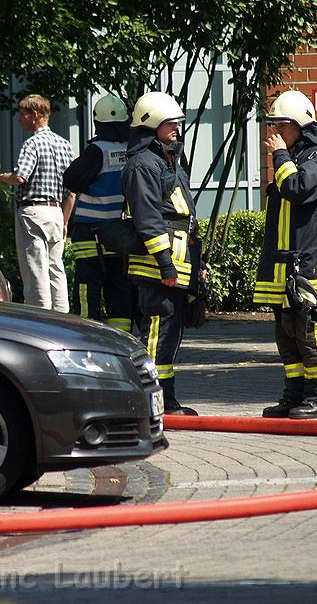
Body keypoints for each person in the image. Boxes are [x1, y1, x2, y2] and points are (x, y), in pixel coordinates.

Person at [254, 89, 317, 419]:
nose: (274, 134)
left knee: (310, 330)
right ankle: (295, 395)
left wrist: (279, 158)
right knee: (287, 331)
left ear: (299, 125)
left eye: (281, 126)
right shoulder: (293, 157)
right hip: (284, 265)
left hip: (309, 266)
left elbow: (298, 189)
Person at [122, 92, 203, 415]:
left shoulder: (164, 160)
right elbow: (149, 219)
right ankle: (155, 402)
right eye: (171, 123)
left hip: (174, 268)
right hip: (158, 270)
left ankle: (165, 401)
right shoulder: (143, 165)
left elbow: (183, 214)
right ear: (151, 123)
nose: (177, 129)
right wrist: (167, 265)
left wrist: (197, 265)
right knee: (157, 336)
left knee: (168, 336)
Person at [0, 94, 74, 312]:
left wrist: (0, 179)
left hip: (34, 211)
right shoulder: (65, 145)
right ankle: (63, 319)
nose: (19, 119)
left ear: (35, 115)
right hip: (56, 212)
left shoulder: (32, 143)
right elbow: (72, 192)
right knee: (56, 269)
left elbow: (20, 177)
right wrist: (65, 221)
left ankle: (39, 318)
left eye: (22, 114)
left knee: (36, 270)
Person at [63, 93, 137, 331]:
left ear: (98, 122)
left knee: (88, 285)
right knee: (119, 286)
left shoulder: (96, 151)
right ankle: (121, 337)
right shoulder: (132, 150)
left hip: (90, 232)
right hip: (119, 231)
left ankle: (86, 334)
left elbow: (71, 180)